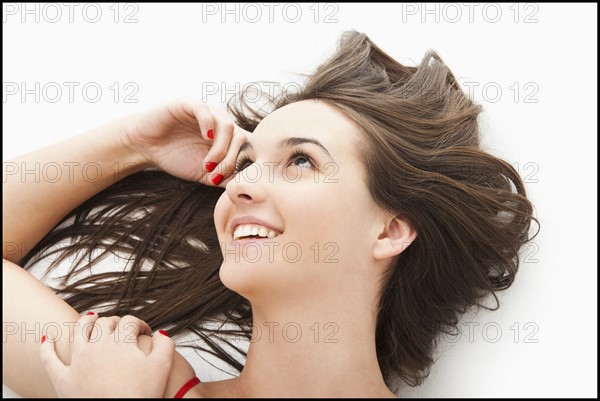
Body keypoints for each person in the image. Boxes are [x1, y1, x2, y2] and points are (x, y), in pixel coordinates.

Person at [3, 30, 539, 397]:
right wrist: (130, 145)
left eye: (301, 160)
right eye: (246, 162)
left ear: (391, 229)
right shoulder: (138, 378)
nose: (242, 185)